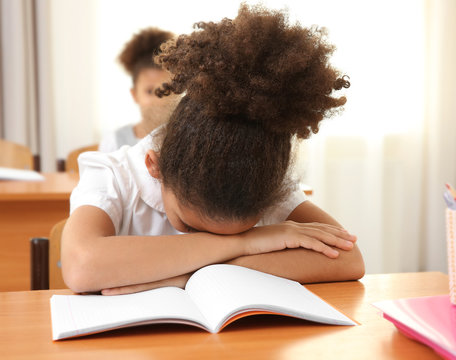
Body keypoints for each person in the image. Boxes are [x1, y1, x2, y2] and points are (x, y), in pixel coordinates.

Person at [62, 4, 364, 295]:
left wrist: (184, 276)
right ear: (156, 167)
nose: (209, 241)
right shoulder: (114, 175)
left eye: (240, 232)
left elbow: (350, 259)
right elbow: (81, 265)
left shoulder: (260, 176)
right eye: (191, 226)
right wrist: (242, 244)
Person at [98, 27, 182, 152]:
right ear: (134, 95)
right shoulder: (113, 142)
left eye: (167, 89)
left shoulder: (186, 140)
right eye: (149, 91)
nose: (159, 98)